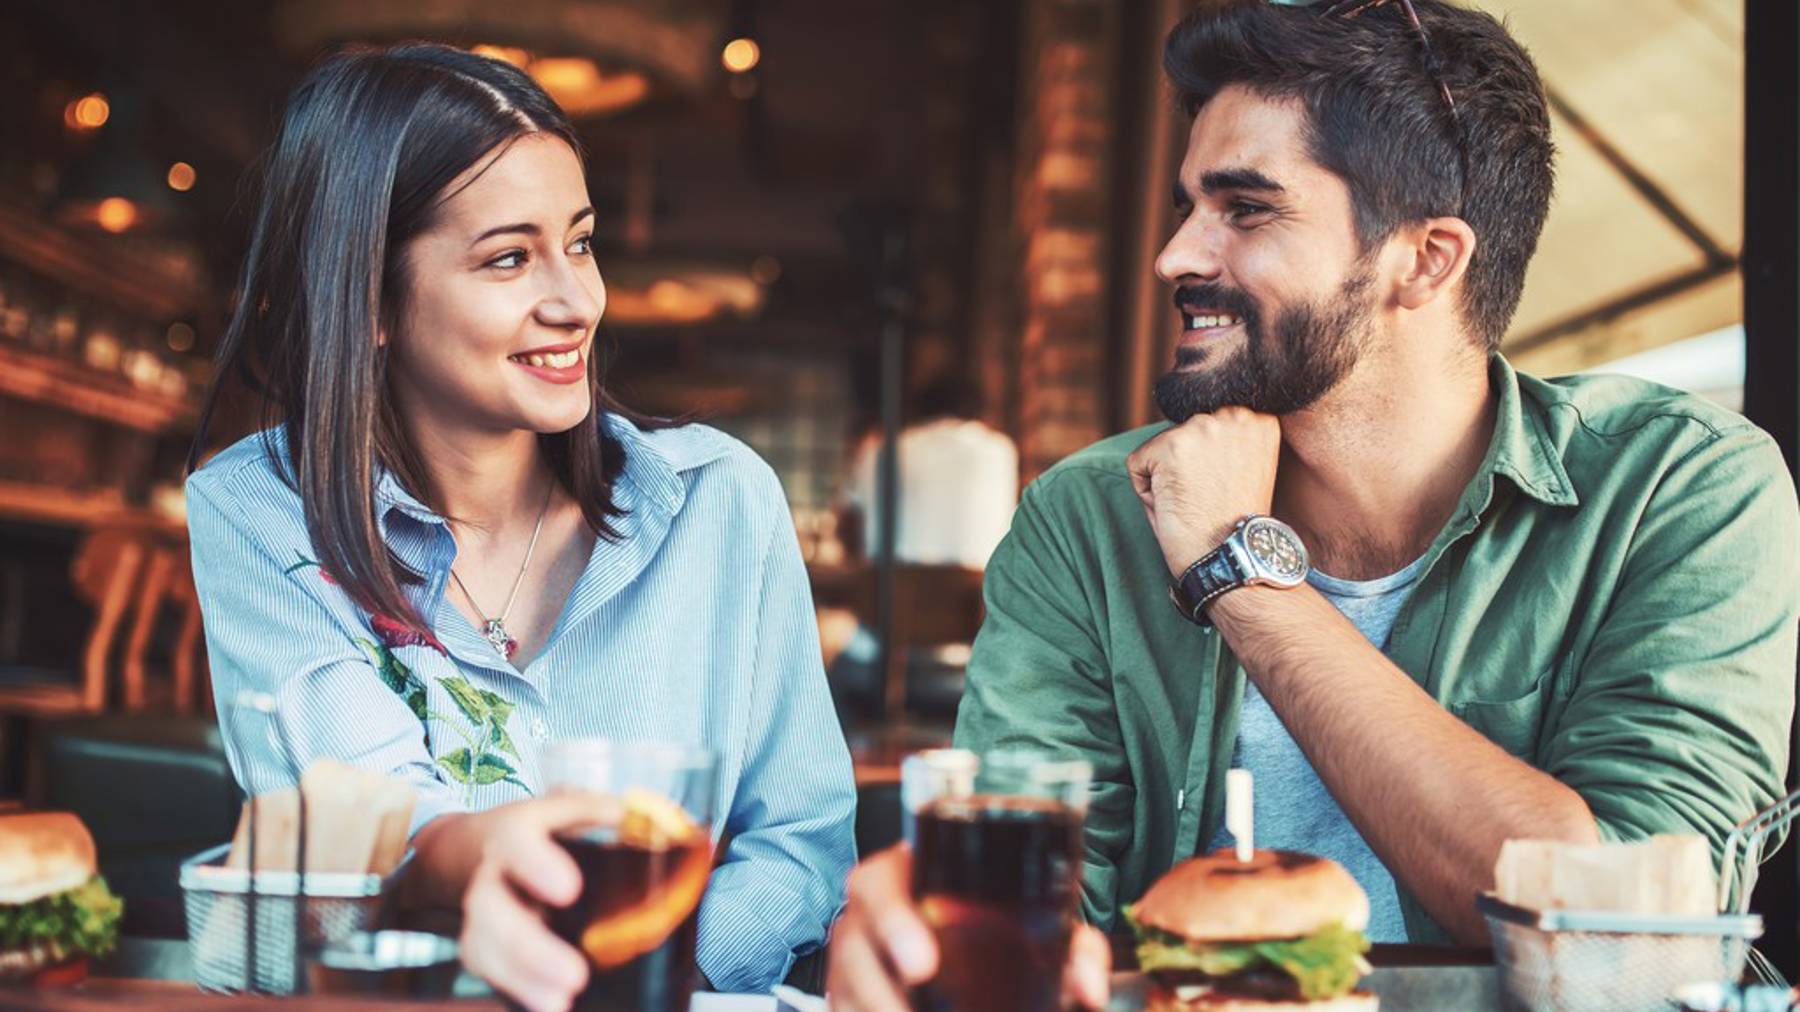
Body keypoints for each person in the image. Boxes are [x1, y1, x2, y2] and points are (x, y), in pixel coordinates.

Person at [828, 0, 1799, 1004]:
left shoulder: (1676, 491)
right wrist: (931, 943)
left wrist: (1240, 573)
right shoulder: (1088, 518)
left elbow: (1630, 945)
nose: (1177, 257)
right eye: (1185, 207)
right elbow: (1036, 908)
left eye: (1246, 209)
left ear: (1425, 260)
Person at [183, 44, 855, 1011]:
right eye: (508, 258)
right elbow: (367, 813)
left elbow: (797, 839)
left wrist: (648, 980)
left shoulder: (722, 499)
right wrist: (472, 864)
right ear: (369, 299)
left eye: (579, 243)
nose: (576, 301)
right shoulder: (259, 512)